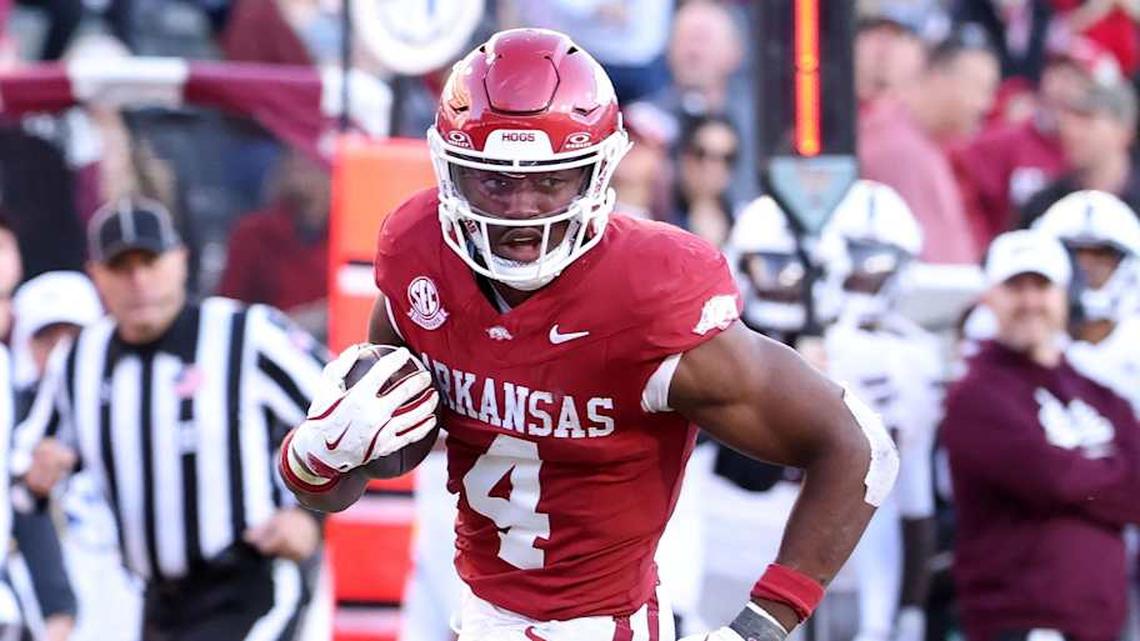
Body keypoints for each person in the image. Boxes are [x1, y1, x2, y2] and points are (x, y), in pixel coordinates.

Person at [280, 28, 899, 641]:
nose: (522, 210)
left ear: (597, 173)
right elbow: (378, 456)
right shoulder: (421, 255)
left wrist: (760, 627)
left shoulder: (648, 292)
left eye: (550, 181)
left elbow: (860, 449)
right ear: (450, 171)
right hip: (474, 611)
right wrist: (318, 457)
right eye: (495, 181)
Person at [14, 196, 327, 641]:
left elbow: (349, 421)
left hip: (251, 587)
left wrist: (309, 516)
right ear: (97, 275)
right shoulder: (80, 361)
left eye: (150, 262)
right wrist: (37, 478)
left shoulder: (246, 334)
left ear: (180, 260)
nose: (139, 281)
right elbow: (24, 471)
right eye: (121, 267)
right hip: (157, 604)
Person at [941, 228, 1140, 641]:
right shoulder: (977, 393)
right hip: (1019, 622)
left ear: (1064, 295)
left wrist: (1085, 477)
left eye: (1041, 286)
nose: (1030, 302)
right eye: (1015, 287)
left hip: (1102, 623)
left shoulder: (1096, 391)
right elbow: (1051, 479)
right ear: (990, 297)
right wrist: (1111, 474)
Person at [819, 181, 942, 641]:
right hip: (759, 538)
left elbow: (915, 496)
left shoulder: (913, 354)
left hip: (866, 559)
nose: (863, 274)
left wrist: (911, 608)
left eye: (877, 262)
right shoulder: (791, 335)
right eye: (855, 256)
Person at [860, 28, 1000, 263]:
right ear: (939, 78)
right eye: (980, 88)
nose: (986, 105)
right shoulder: (898, 148)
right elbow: (936, 265)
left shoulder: (922, 140)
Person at [217, 148, 332, 340]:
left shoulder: (354, 237)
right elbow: (229, 310)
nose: (299, 164)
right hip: (267, 344)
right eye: (292, 155)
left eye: (309, 157)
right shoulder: (252, 233)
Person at [1020, 75, 1140, 226]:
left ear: (1124, 131)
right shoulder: (1045, 207)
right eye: (1068, 119)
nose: (1071, 131)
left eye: (1086, 119)